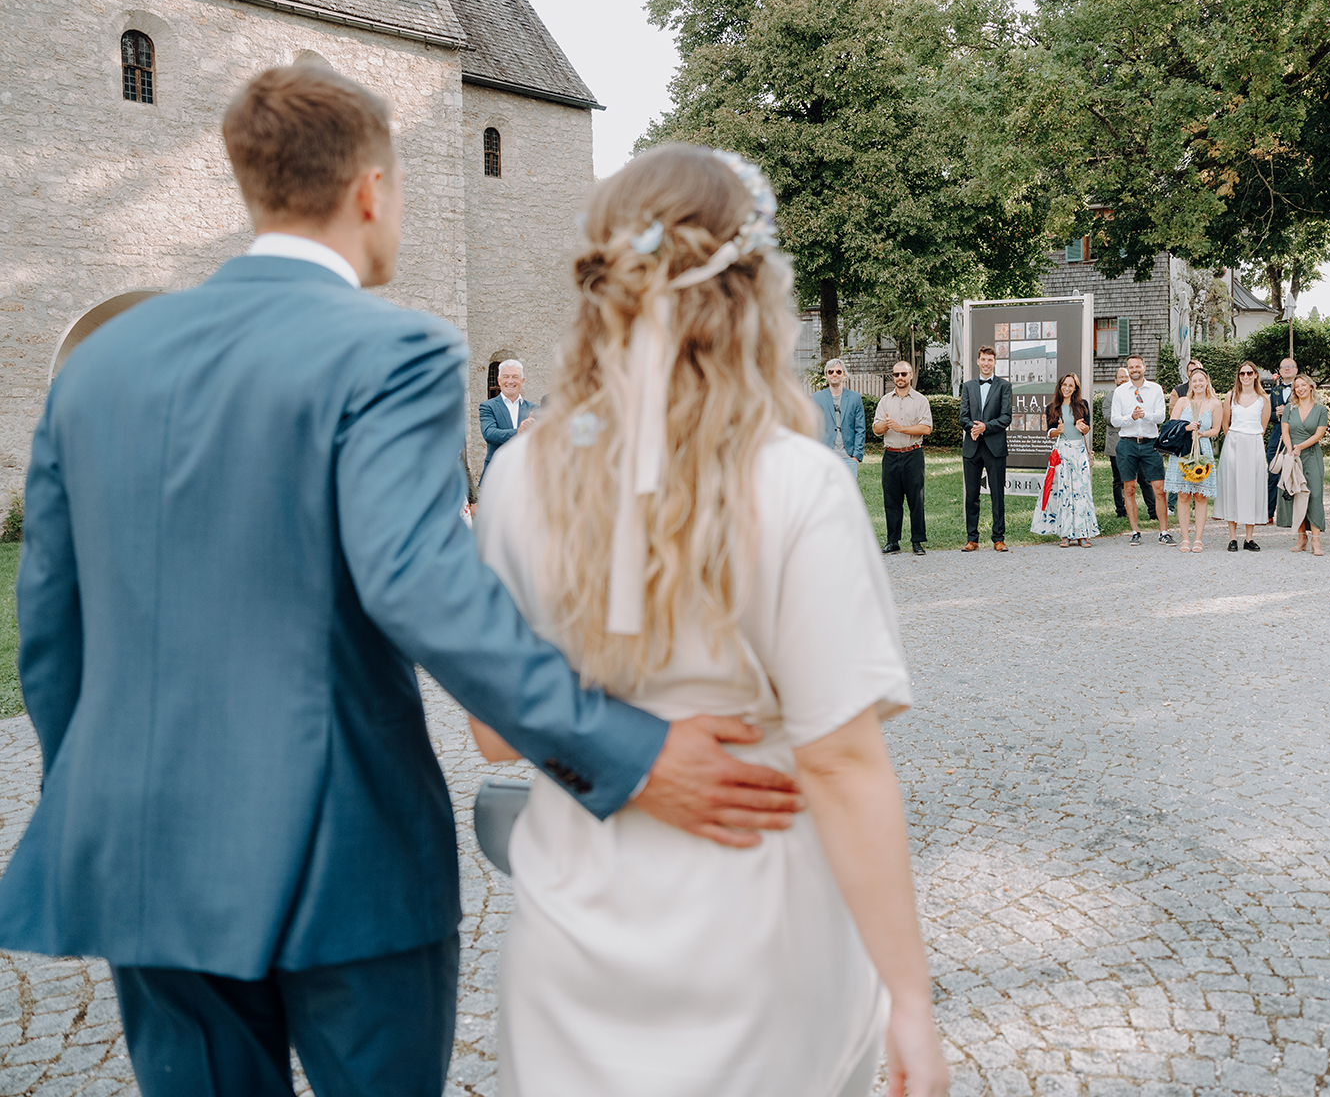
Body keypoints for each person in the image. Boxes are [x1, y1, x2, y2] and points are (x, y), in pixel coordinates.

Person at [0, 68, 803, 1097]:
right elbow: (424, 589)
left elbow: (50, 632)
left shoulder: (101, 369)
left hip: (144, 860)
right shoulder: (393, 349)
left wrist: (104, 803)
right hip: (347, 852)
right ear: (371, 190)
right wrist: (628, 751)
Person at [472, 143, 947, 1096]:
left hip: (572, 956)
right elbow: (842, 762)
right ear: (749, 294)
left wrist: (629, 743)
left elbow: (492, 734)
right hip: (761, 948)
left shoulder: (521, 473)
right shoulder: (795, 482)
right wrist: (910, 996)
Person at [1110, 353, 1172, 545]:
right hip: (1127, 443)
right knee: (1129, 488)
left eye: (1138, 366)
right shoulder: (1120, 392)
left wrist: (1144, 415)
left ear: (1144, 367)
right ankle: (1135, 531)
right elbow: (1114, 420)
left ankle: (1163, 531)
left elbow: (1161, 416)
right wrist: (1132, 417)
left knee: (1159, 489)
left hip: (1150, 444)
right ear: (1127, 369)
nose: (1134, 370)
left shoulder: (1155, 389)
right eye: (1131, 367)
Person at [873, 359, 933, 556]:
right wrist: (887, 425)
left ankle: (917, 541)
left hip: (912, 454)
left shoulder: (921, 400)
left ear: (911, 375)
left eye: (903, 374)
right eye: (896, 374)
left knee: (916, 499)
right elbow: (876, 429)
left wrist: (901, 428)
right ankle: (893, 541)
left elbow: (926, 428)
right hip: (890, 455)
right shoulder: (885, 401)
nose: (899, 378)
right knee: (891, 500)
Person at [1032, 373, 1099, 546]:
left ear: (1075, 388)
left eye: (1071, 385)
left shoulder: (1083, 405)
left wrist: (1082, 427)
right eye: (1064, 385)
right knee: (1063, 492)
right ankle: (1065, 535)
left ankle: (1083, 534)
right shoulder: (1052, 407)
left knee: (1081, 491)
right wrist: (1058, 430)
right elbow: (1050, 433)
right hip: (1062, 453)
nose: (1067, 388)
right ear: (1060, 386)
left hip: (1079, 453)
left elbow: (1086, 430)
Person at [959, 346, 1013, 551]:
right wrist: (973, 428)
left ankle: (998, 538)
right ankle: (972, 539)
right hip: (972, 447)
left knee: (997, 494)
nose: (987, 363)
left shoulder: (1004, 386)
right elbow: (963, 416)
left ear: (995, 362)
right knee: (971, 495)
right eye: (983, 359)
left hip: (995, 448)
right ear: (977, 361)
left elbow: (1006, 417)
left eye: (990, 360)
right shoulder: (968, 386)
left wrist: (985, 427)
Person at [1165, 361, 1221, 552]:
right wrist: (1186, 427)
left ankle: (1198, 538)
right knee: (1183, 495)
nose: (1197, 383)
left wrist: (1202, 433)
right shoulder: (1182, 402)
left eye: (1201, 380)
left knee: (1200, 495)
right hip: (1183, 450)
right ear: (1190, 383)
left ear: (1207, 382)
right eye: (1194, 380)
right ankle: (1185, 538)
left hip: (1202, 450)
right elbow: (1171, 425)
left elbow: (1216, 429)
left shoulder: (1214, 403)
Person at [1216, 362, 1269, 551]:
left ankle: (1249, 538)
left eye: (1249, 373)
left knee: (1251, 488)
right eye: (1242, 373)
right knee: (1232, 487)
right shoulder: (1231, 395)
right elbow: (1225, 422)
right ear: (1238, 376)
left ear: (1255, 375)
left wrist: (1250, 438)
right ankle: (1232, 537)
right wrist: (1235, 437)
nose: (1245, 376)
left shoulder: (1264, 398)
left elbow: (1263, 426)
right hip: (1234, 443)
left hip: (1253, 442)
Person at [1276, 372, 1329, 555]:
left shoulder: (1321, 409)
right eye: (1297, 387)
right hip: (1292, 455)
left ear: (1311, 387)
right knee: (1295, 493)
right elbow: (1285, 432)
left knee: (1314, 494)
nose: (1300, 389)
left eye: (1303, 385)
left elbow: (1319, 434)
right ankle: (1301, 537)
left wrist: (1302, 446)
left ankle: (1316, 540)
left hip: (1312, 454)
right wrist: (1290, 450)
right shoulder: (1289, 409)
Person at [1104, 364, 1156, 521]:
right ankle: (1121, 511)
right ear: (1116, 380)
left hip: (1138, 444)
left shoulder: (1138, 395)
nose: (1124, 379)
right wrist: (1128, 417)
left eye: (1126, 376)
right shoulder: (1109, 398)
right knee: (1119, 480)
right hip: (1117, 445)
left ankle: (1153, 512)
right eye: (1121, 377)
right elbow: (1108, 418)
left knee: (1144, 478)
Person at [481, 358, 537, 482]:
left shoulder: (534, 409)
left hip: (526, 475)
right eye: (506, 377)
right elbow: (489, 434)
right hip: (496, 475)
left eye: (515, 377)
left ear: (522, 381)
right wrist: (518, 432)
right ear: (499, 380)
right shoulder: (488, 406)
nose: (510, 381)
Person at [813, 357, 865, 476]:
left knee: (848, 494)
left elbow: (860, 429)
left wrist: (856, 456)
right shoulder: (817, 398)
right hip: (825, 456)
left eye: (838, 371)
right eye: (830, 372)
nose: (834, 374)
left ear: (844, 375)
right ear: (826, 375)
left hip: (848, 457)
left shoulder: (855, 398)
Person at [1265, 357, 1297, 522]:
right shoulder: (1275, 391)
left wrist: (1289, 411)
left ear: (1296, 370)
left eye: (1290, 366)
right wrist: (1276, 414)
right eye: (1283, 367)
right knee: (1273, 473)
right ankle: (1269, 513)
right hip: (1277, 437)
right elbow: (1266, 415)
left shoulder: (1302, 388)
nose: (1286, 369)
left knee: (1295, 474)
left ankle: (1294, 515)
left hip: (1296, 436)